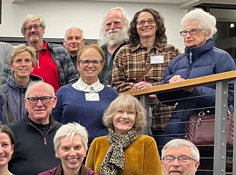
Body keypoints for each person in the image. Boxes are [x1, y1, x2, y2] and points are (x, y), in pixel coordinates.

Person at [159, 8, 236, 142]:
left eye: (193, 31)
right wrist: (169, 84)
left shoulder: (222, 58)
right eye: (184, 32)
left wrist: (193, 89)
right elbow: (166, 99)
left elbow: (229, 96)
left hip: (209, 127)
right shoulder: (176, 62)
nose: (187, 35)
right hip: (177, 126)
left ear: (207, 33)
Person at [85, 94, 165, 175]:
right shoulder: (97, 143)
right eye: (120, 112)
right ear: (112, 115)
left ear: (137, 118)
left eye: (130, 113)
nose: (125, 116)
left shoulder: (146, 142)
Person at [111, 8, 180, 144]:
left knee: (164, 159)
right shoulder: (124, 53)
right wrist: (138, 89)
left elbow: (178, 82)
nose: (145, 25)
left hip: (165, 119)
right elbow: (116, 84)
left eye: (150, 21)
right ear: (135, 27)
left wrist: (154, 88)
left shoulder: (172, 52)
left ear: (158, 25)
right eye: (141, 22)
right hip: (132, 120)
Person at [52, 44, 119, 143]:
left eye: (95, 62)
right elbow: (54, 124)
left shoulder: (112, 95)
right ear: (78, 65)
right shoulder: (63, 92)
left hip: (102, 152)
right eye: (86, 61)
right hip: (70, 152)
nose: (90, 65)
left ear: (101, 66)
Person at [8, 82, 62, 175]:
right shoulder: (10, 133)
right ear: (25, 103)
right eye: (33, 99)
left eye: (45, 99)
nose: (39, 104)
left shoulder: (64, 133)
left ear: (54, 101)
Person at [19, 14, 79, 92]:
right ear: (24, 33)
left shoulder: (60, 52)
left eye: (36, 26)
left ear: (43, 30)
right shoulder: (17, 55)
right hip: (28, 103)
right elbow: (8, 84)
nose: (33, 30)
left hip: (57, 102)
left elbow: (73, 81)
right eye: (29, 28)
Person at [0, 45, 43, 125]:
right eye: (18, 61)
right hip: (5, 136)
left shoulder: (41, 93)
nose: (23, 64)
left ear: (33, 66)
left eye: (27, 60)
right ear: (11, 66)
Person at [98, 7, 130, 85]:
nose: (112, 27)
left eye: (116, 23)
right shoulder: (98, 51)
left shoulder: (132, 50)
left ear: (126, 25)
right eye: (108, 24)